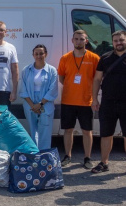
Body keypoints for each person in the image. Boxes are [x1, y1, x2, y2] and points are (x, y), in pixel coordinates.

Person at [57, 30, 100, 168]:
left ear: (86, 41)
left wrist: (93, 97)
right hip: (68, 100)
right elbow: (62, 77)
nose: (79, 41)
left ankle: (87, 158)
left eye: (82, 39)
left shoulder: (94, 58)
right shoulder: (65, 58)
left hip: (86, 101)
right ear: (72, 40)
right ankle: (67, 156)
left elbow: (97, 79)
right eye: (76, 39)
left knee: (87, 131)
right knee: (68, 130)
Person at [91, 30, 126, 173]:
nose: (119, 43)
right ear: (112, 42)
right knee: (106, 134)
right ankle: (104, 163)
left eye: (122, 40)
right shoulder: (105, 58)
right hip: (108, 102)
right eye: (116, 40)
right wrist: (94, 99)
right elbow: (97, 79)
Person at [19, 44, 58, 150]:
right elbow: (23, 89)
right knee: (32, 130)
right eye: (36, 53)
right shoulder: (26, 70)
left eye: (41, 53)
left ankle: (44, 154)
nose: (39, 56)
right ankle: (35, 155)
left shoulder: (52, 70)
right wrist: (33, 105)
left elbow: (53, 89)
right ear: (33, 55)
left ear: (46, 54)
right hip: (30, 103)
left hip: (45, 103)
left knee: (45, 130)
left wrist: (40, 104)